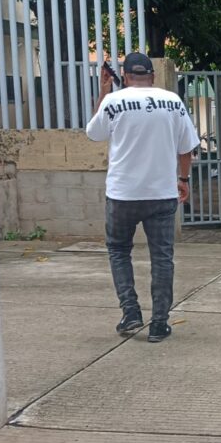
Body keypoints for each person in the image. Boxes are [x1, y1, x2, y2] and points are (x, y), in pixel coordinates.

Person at [86, 52, 199, 343]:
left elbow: (95, 133)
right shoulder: (172, 101)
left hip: (122, 194)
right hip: (161, 193)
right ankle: (159, 323)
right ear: (153, 76)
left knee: (118, 250)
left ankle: (131, 313)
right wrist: (183, 179)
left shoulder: (113, 101)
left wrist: (103, 91)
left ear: (124, 77)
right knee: (162, 258)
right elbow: (186, 147)